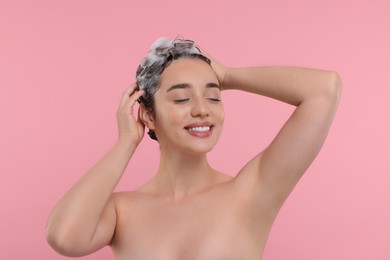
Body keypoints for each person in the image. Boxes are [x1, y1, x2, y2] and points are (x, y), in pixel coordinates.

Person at [46, 37, 342, 259]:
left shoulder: (251, 192)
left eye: (213, 97)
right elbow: (63, 237)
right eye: (181, 99)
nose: (202, 109)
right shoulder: (122, 211)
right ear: (149, 115)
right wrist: (126, 142)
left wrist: (226, 76)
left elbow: (324, 89)